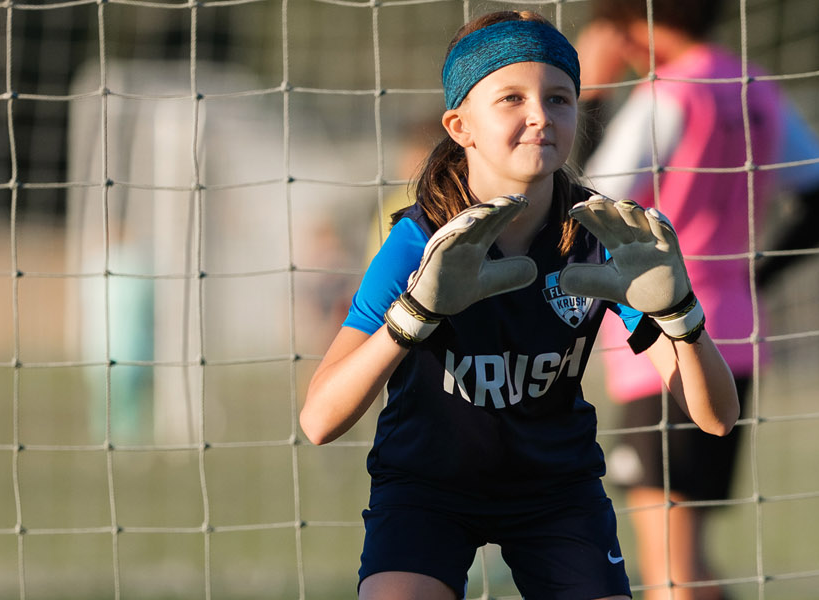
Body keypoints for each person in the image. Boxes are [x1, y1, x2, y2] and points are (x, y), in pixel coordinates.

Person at [299, 10, 742, 600]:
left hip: (556, 493)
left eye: (559, 98)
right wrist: (414, 315)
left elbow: (717, 417)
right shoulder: (418, 241)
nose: (540, 115)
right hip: (427, 490)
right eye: (512, 98)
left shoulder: (603, 235)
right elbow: (319, 421)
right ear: (460, 126)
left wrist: (679, 314)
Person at [575, 0, 819, 598]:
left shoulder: (665, 96)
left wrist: (591, 95)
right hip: (735, 330)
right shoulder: (753, 87)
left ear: (632, 27)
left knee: (669, 569)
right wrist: (752, 279)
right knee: (686, 555)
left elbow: (590, 200)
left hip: (665, 336)